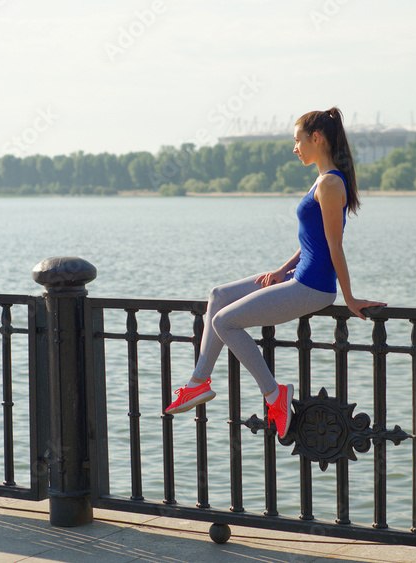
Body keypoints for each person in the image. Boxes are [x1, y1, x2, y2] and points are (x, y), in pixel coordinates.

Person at [164, 107, 385, 439]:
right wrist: (283, 269)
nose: (294, 148)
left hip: (313, 287)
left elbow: (335, 246)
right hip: (299, 277)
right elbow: (315, 240)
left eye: (297, 140)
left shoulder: (329, 184)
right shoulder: (324, 179)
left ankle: (274, 395)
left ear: (317, 138)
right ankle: (198, 383)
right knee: (218, 296)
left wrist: (349, 297)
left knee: (223, 321)